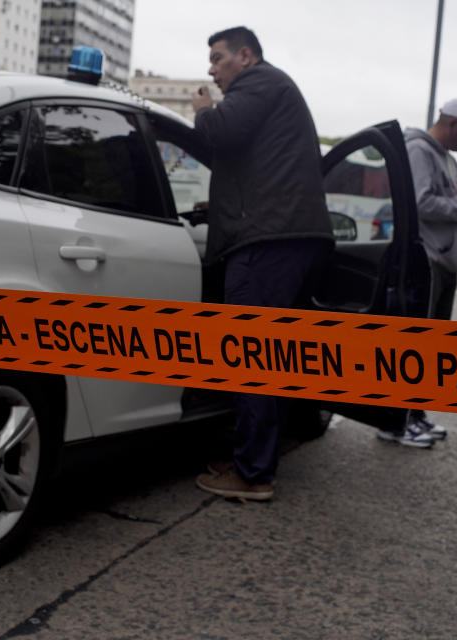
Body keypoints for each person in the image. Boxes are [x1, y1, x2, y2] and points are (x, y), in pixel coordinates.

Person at [189, 26, 334, 501]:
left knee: (249, 352)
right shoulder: (273, 90)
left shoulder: (259, 84)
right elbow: (258, 167)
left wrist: (204, 109)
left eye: (218, 57)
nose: (212, 69)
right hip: (283, 234)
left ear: (245, 56)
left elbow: (221, 133)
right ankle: (252, 457)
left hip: (267, 241)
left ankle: (253, 474)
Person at [389, 98, 457, 447]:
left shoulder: (445, 158)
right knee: (414, 343)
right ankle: (395, 420)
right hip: (427, 259)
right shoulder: (420, 151)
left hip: (443, 261)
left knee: (430, 344)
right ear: (452, 123)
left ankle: (414, 415)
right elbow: (419, 202)